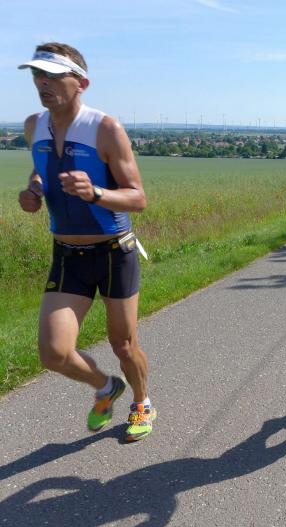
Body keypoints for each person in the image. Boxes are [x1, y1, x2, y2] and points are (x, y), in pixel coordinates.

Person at [17, 43, 156, 441]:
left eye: (52, 75)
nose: (42, 83)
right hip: (67, 255)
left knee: (123, 344)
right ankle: (106, 387)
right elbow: (41, 171)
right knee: (54, 352)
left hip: (114, 252)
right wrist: (33, 191)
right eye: (36, 75)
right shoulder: (33, 125)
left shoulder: (105, 128)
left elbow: (138, 198)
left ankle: (142, 402)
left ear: (81, 83)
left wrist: (95, 193)